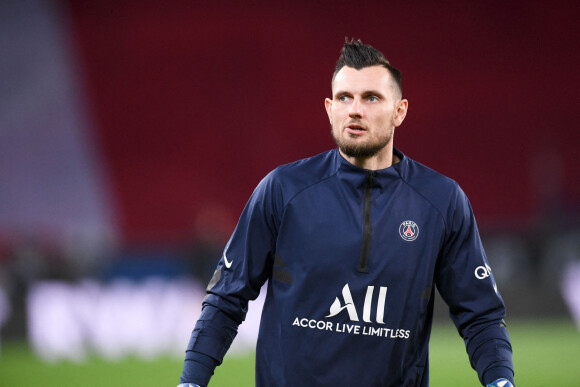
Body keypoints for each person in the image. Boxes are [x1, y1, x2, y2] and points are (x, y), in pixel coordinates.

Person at [178, 39, 515, 387]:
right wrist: (191, 380)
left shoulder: (441, 201)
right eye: (344, 98)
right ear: (329, 107)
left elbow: (482, 317)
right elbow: (225, 300)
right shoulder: (283, 190)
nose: (355, 109)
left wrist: (500, 380)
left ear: (399, 111)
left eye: (371, 98)